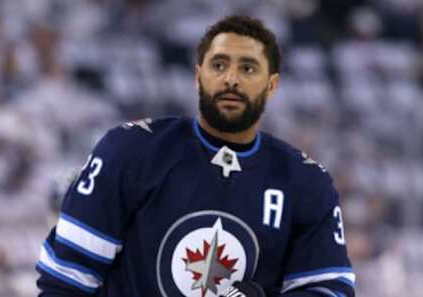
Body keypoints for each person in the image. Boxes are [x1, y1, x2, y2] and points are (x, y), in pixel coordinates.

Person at [36, 15, 356, 297]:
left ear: (271, 85)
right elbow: (65, 282)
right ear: (198, 75)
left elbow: (330, 290)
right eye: (219, 65)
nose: (231, 78)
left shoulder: (306, 182)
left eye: (248, 67)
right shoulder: (128, 152)